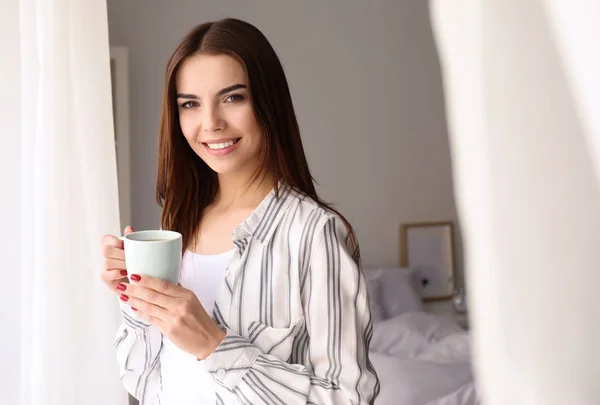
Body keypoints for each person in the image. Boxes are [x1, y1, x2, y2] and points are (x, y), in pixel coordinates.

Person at [100, 18, 379, 405]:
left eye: (233, 98)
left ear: (268, 102)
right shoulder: (180, 225)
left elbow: (349, 397)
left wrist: (215, 346)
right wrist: (136, 299)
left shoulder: (314, 234)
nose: (211, 123)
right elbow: (145, 382)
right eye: (190, 104)